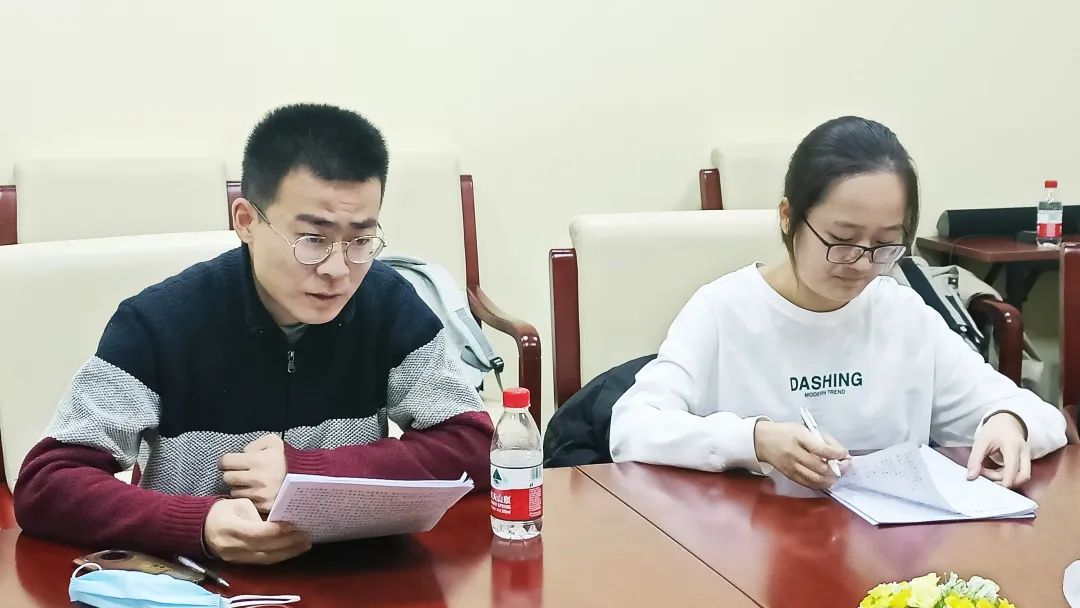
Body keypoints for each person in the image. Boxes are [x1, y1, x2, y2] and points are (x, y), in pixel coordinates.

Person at [14, 103, 494, 564]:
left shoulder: (387, 303)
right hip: (201, 582)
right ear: (245, 221)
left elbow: (474, 445)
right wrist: (198, 523)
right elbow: (47, 483)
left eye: (361, 240)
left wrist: (309, 476)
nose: (338, 269)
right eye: (312, 239)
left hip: (356, 574)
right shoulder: (158, 323)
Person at [608, 116, 1066, 490]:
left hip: (887, 552)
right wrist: (754, 439)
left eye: (885, 245)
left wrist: (1010, 421)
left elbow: (1041, 417)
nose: (863, 264)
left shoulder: (901, 314)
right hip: (748, 548)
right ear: (788, 217)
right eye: (842, 240)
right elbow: (632, 428)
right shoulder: (722, 310)